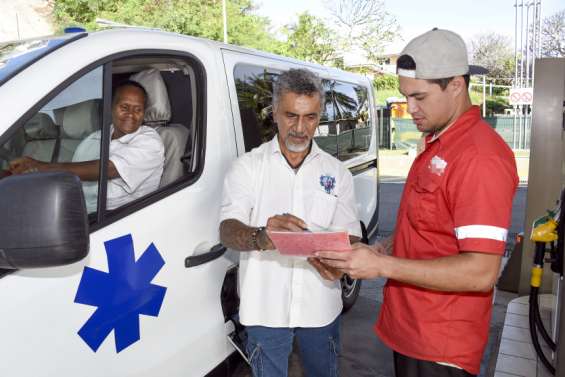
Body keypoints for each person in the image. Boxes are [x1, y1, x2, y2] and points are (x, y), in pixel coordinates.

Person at [316, 28, 519, 377]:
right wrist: (386, 249)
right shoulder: (440, 142)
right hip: (411, 330)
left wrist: (382, 268)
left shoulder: (478, 157)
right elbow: (434, 227)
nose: (409, 109)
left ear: (456, 85)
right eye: (405, 96)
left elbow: (481, 272)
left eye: (420, 97)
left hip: (441, 345)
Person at [219, 68, 361, 377]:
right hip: (264, 309)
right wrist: (261, 236)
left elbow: (351, 235)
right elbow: (227, 229)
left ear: (319, 115)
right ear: (274, 113)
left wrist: (342, 261)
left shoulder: (337, 173)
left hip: (321, 307)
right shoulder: (247, 168)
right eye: (290, 116)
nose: (300, 128)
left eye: (310, 117)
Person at [9, 81, 164, 213]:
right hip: (77, 209)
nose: (131, 114)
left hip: (118, 218)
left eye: (138, 109)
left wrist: (40, 167)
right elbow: (73, 178)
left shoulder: (150, 142)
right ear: (111, 107)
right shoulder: (94, 138)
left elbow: (106, 169)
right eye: (124, 107)